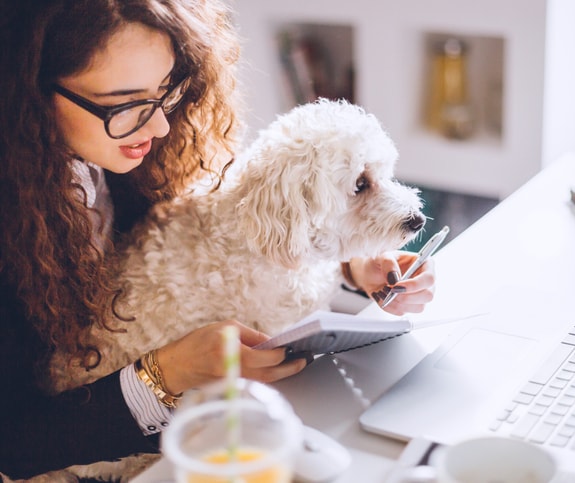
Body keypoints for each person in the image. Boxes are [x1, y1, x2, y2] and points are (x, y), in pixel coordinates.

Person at [0, 0, 437, 480]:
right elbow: (15, 440)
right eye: (125, 104)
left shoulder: (148, 152)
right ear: (30, 93)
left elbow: (247, 237)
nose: (161, 126)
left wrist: (350, 265)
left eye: (165, 90)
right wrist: (163, 374)